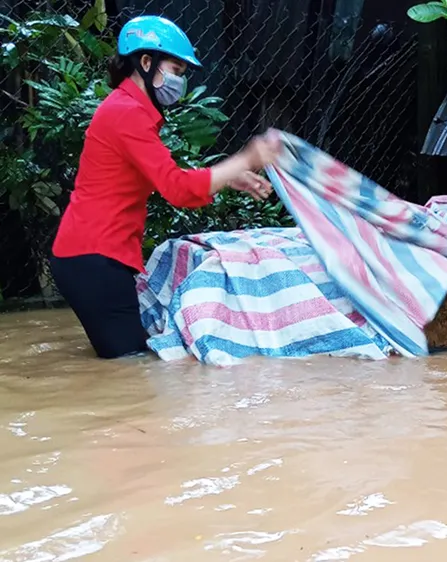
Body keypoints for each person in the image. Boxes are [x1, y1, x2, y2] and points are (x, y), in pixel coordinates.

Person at [50, 15, 282, 359]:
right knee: (131, 371)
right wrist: (245, 159)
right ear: (147, 63)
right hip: (93, 260)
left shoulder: (128, 110)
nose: (179, 81)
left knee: (127, 363)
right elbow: (177, 189)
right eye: (176, 70)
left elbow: (162, 175)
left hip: (92, 258)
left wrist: (226, 175)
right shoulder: (127, 113)